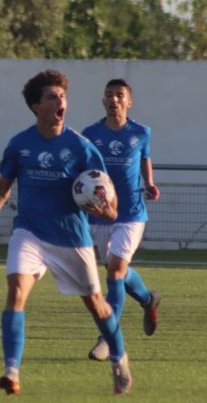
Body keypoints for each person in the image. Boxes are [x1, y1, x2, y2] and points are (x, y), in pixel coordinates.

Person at [0, 69, 133, 396]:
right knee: (16, 292)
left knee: (97, 305)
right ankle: (11, 371)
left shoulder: (82, 148)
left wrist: (104, 210)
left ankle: (118, 357)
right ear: (35, 107)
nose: (61, 102)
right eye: (52, 97)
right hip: (30, 233)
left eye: (63, 96)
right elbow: (2, 189)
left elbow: (111, 205)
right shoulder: (20, 145)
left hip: (72, 238)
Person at [81, 79, 161, 362]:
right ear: (103, 102)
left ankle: (106, 336)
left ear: (129, 102)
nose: (114, 99)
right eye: (109, 95)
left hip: (131, 215)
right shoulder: (90, 134)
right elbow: (83, 170)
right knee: (117, 271)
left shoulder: (141, 133)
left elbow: (145, 158)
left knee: (115, 271)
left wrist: (149, 182)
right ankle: (148, 298)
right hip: (101, 215)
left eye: (119, 95)